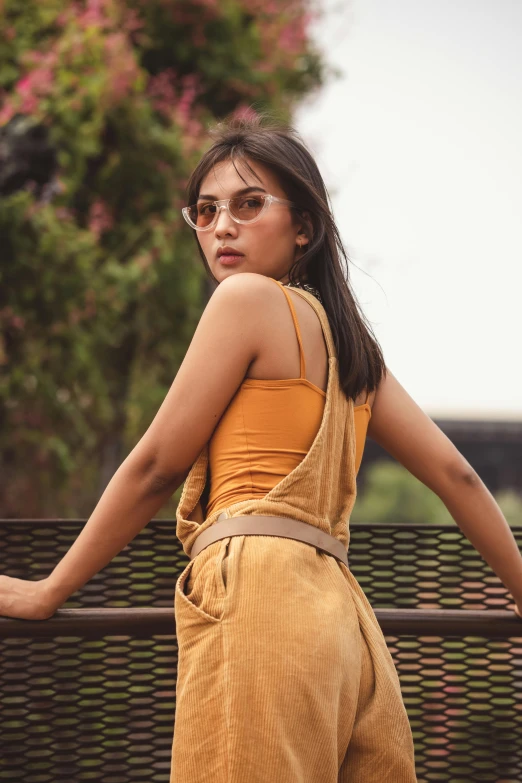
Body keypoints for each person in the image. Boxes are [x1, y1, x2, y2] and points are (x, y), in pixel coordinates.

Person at [2, 115, 522, 782]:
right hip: (346, 626)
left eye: (249, 205)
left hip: (260, 601)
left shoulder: (244, 300)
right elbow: (458, 476)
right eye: (205, 209)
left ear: (304, 226)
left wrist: (51, 589)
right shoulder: (354, 350)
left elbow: (156, 464)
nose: (222, 226)